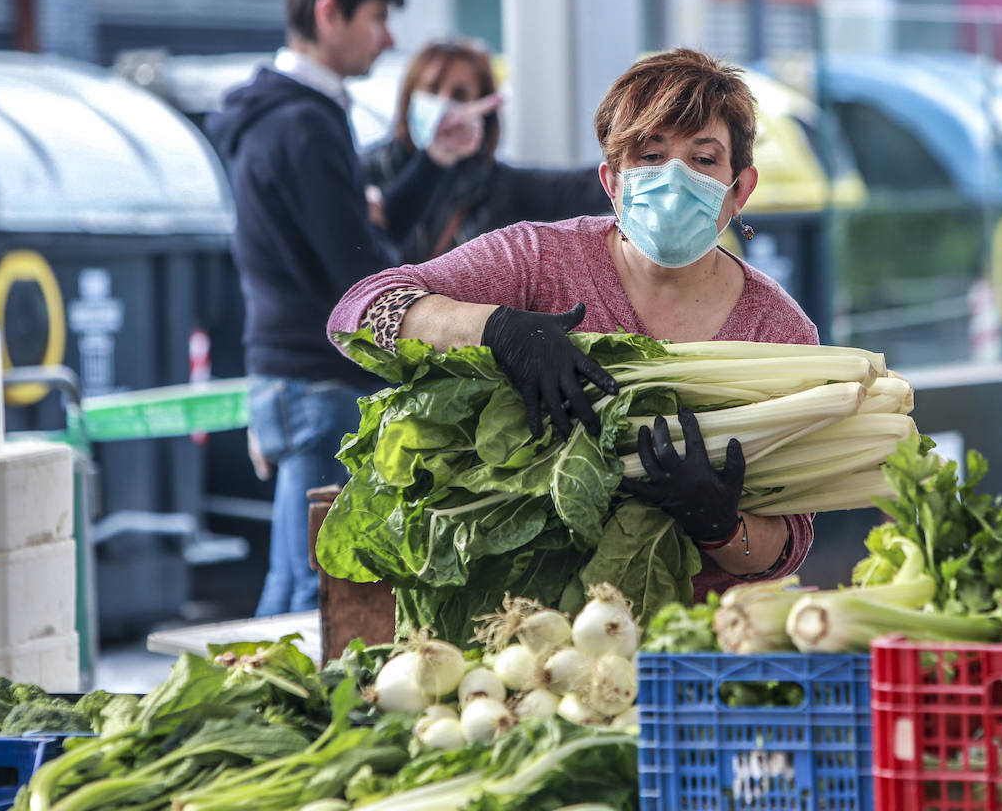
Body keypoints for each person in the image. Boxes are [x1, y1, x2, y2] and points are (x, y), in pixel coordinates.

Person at [328, 48, 817, 599]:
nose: (674, 178)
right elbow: (360, 313)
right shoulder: (538, 259)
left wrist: (721, 526)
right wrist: (496, 329)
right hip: (526, 631)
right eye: (650, 156)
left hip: (692, 643)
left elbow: (787, 546)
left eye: (704, 161)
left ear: (740, 188)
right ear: (613, 182)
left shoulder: (779, 332)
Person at [206, 0, 489, 617]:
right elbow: (359, 271)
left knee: (291, 579)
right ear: (328, 13)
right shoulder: (304, 125)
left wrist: (432, 161)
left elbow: (369, 224)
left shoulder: (278, 115)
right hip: (320, 383)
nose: (389, 37)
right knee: (320, 588)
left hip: (288, 378)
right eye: (377, 17)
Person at [361, 39, 613, 263]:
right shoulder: (365, 171)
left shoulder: (500, 188)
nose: (443, 105)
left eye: (459, 95)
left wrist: (640, 162)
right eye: (432, 89)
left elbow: (583, 187)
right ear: (409, 95)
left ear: (484, 109)